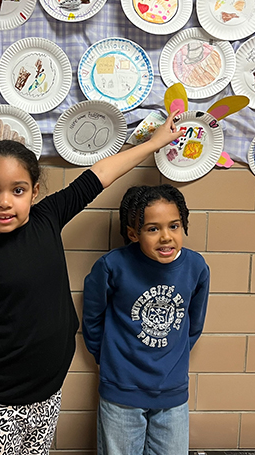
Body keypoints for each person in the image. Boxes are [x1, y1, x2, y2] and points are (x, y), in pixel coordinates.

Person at [0, 110, 183, 455]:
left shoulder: (47, 218)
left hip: (48, 391)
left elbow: (99, 174)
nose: (4, 202)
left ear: (35, 191)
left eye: (18, 190)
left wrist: (155, 143)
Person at [82, 184, 210, 455]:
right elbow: (92, 319)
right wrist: (107, 358)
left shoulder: (196, 267)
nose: (166, 237)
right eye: (153, 229)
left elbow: (194, 324)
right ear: (133, 234)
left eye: (174, 226)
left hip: (172, 392)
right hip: (121, 391)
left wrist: (174, 360)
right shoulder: (112, 266)